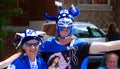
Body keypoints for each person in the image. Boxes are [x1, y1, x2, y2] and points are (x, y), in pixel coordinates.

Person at [1, 1, 120, 69]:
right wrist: (3, 64)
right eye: (62, 24)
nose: (65, 28)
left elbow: (108, 46)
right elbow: (23, 53)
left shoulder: (81, 45)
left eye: (68, 24)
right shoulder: (47, 44)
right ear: (57, 26)